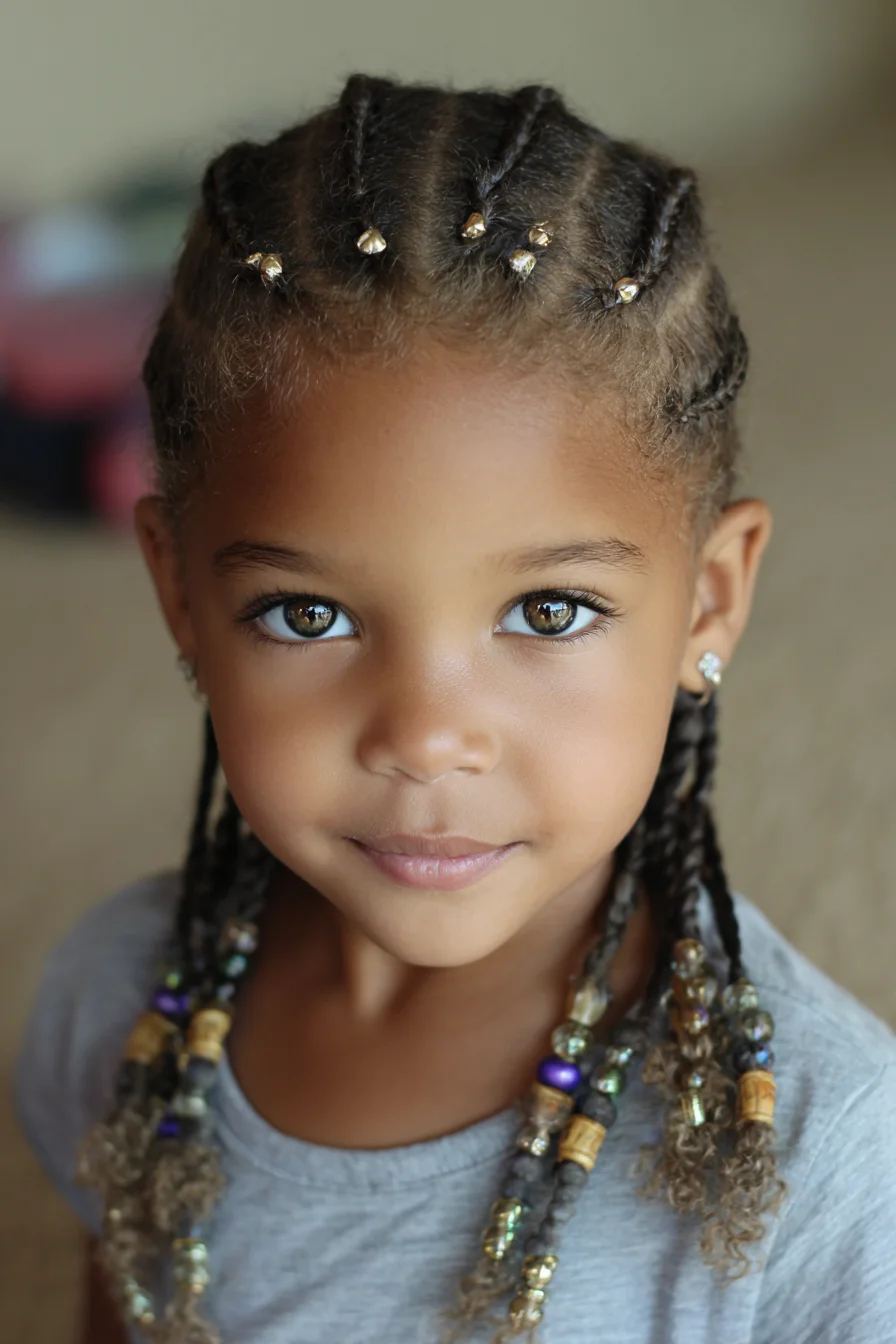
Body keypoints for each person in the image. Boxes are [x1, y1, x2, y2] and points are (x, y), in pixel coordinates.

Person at [12, 75, 896, 1344]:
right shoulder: (114, 1008)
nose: (425, 736)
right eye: (306, 615)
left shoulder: (824, 1148)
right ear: (180, 596)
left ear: (707, 602)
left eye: (547, 613)